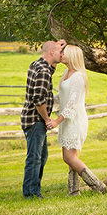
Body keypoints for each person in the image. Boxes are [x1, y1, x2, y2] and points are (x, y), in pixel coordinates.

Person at [50, 44, 106, 194]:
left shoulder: (79, 77)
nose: (61, 55)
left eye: (64, 53)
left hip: (74, 120)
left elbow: (72, 104)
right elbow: (62, 98)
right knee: (70, 157)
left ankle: (98, 186)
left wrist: (56, 121)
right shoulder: (67, 73)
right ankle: (74, 191)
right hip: (67, 121)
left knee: (69, 157)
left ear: (72, 56)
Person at [21, 39, 65, 198]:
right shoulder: (43, 72)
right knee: (35, 157)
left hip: (30, 118)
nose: (62, 54)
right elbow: (38, 99)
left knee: (41, 155)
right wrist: (47, 119)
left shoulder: (37, 64)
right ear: (52, 52)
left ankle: (33, 189)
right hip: (35, 120)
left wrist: (57, 47)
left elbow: (49, 69)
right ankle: (31, 193)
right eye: (60, 52)